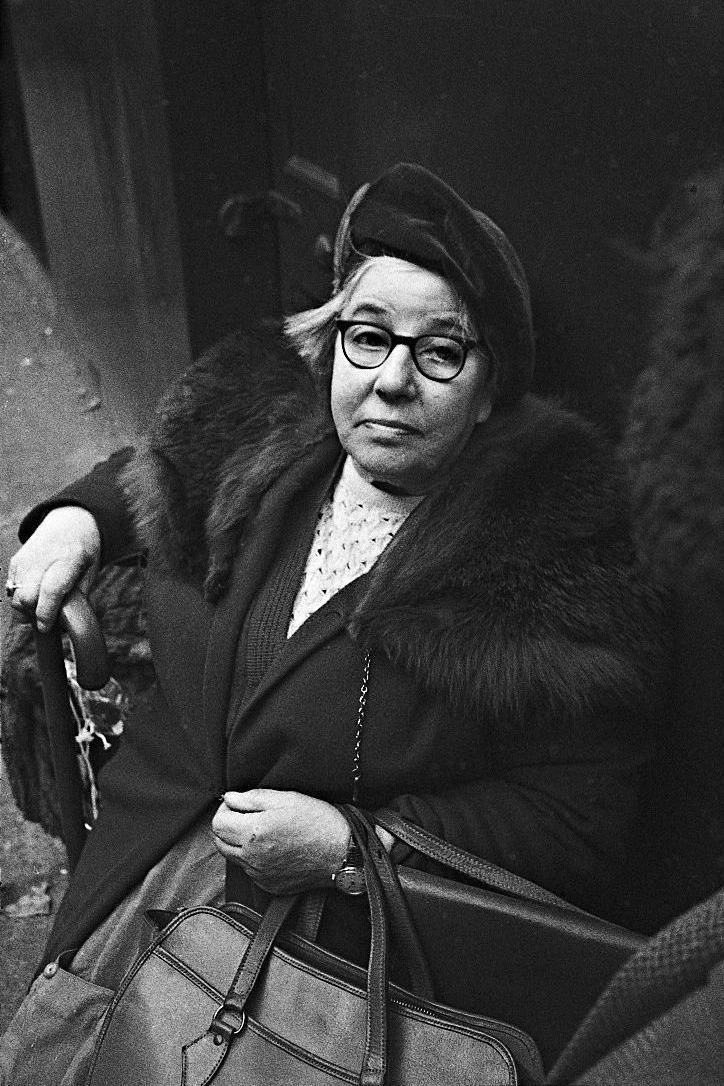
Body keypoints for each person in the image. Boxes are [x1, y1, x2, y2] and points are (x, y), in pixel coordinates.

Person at [0, 163, 670, 1084]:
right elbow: (144, 471)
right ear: (330, 348)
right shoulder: (256, 435)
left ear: (489, 390)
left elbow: (577, 823)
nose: (393, 380)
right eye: (369, 338)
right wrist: (78, 518)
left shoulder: (551, 572)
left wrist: (355, 848)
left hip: (333, 959)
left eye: (441, 353)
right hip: (144, 868)